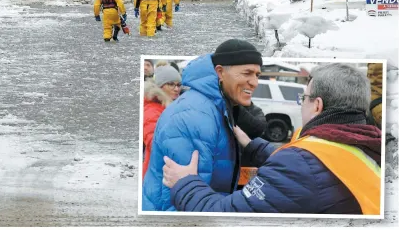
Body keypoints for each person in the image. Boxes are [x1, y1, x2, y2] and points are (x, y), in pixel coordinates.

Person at [163, 63, 382, 215]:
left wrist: (185, 183)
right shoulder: (367, 143)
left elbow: (226, 216)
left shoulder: (300, 165)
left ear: (317, 105)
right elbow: (313, 168)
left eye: (303, 98)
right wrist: (253, 146)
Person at [141, 39, 263, 211]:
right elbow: (180, 204)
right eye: (247, 73)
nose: (255, 82)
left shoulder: (216, 107)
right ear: (220, 72)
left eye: (257, 75)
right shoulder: (194, 115)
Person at [142, 65, 182, 179]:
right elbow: (154, 143)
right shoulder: (152, 110)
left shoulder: (169, 107)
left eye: (179, 85)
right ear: (160, 86)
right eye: (171, 84)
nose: (176, 89)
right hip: (156, 174)